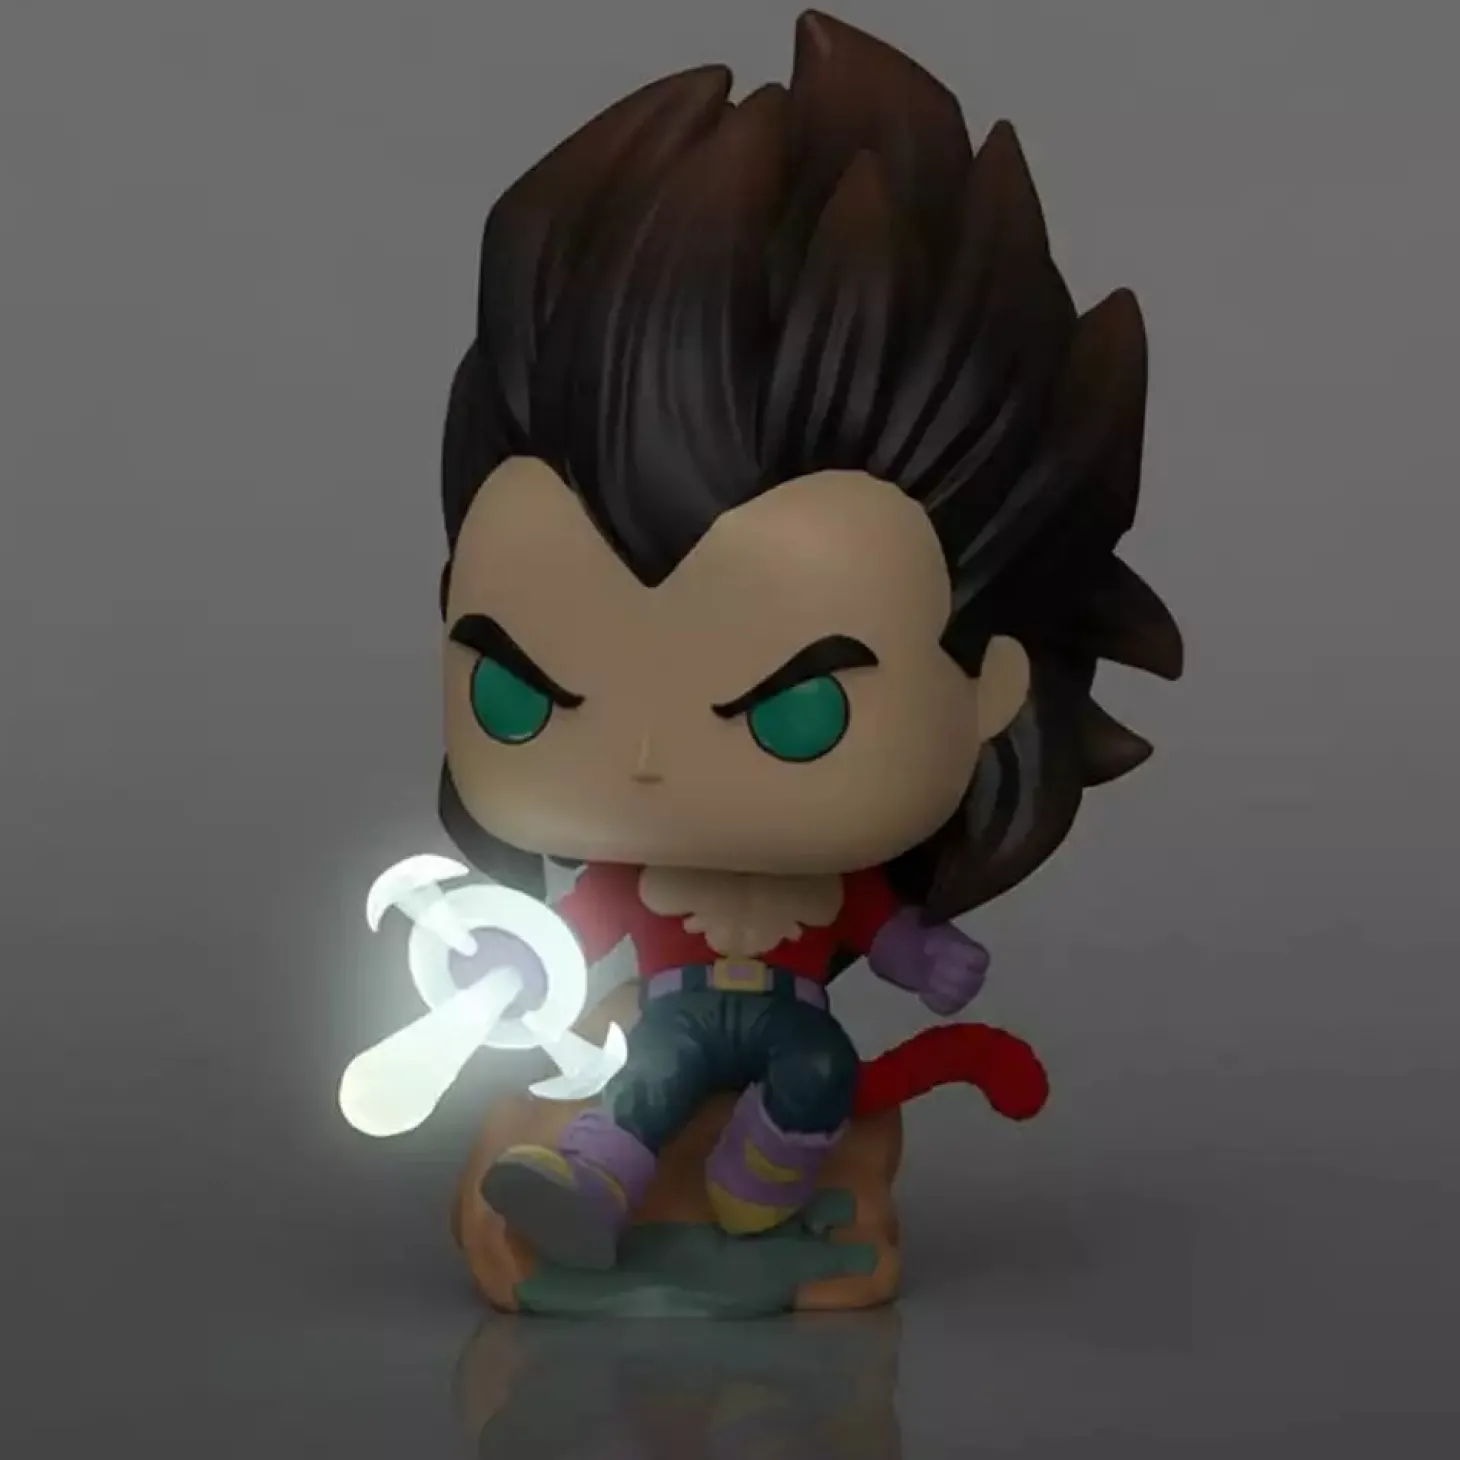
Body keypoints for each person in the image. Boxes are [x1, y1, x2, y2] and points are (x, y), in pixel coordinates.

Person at [432, 11, 1183, 1271]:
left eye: (793, 710)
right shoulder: (633, 883)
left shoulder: (835, 893)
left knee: (816, 1071)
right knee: (647, 1074)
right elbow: (561, 947)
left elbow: (887, 935)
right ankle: (594, 1184)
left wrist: (928, 954)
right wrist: (505, 970)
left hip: (792, 1032)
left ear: (991, 683)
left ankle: (759, 1191)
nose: (649, 757)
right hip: (666, 1024)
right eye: (524, 692)